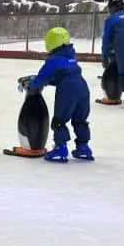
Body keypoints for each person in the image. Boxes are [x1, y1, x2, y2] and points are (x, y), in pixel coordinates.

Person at [26, 26, 94, 162]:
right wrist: (49, 82)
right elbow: (64, 75)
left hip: (68, 90)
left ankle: (60, 148)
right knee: (80, 119)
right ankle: (83, 148)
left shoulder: (53, 60)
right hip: (82, 87)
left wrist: (31, 84)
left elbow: (42, 78)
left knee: (60, 120)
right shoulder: (71, 56)